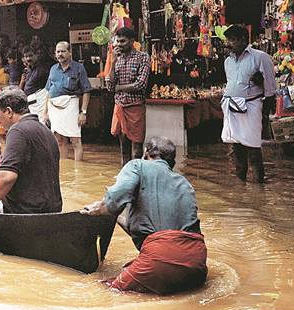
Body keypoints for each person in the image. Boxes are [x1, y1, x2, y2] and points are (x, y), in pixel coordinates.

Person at [80, 137, 207, 295]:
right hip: (197, 262)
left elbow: (113, 201)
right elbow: (151, 230)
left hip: (159, 258)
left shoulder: (137, 165)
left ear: (146, 153)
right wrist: (115, 215)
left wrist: (99, 209)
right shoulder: (185, 184)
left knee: (104, 289)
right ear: (172, 162)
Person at [0, 88, 62, 230]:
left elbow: (7, 177)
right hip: (52, 208)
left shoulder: (17, 131)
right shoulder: (46, 131)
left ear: (9, 111)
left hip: (25, 211)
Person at [221, 24, 276, 183]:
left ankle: (259, 186)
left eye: (232, 40)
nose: (228, 43)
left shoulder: (260, 57)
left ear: (243, 40)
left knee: (253, 148)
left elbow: (270, 87)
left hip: (251, 107)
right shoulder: (228, 61)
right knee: (237, 148)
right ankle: (241, 186)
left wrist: (265, 114)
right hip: (232, 107)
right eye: (227, 40)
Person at [107, 27, 151, 166]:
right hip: (120, 106)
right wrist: (113, 63)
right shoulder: (115, 58)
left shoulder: (143, 57)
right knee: (123, 148)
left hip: (136, 107)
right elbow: (109, 86)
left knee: (137, 149)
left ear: (132, 41)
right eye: (117, 41)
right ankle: (125, 175)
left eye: (123, 41)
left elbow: (140, 84)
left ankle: (137, 174)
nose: (119, 44)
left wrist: (118, 88)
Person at [45, 41, 92, 161]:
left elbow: (86, 90)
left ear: (69, 53)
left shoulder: (79, 68)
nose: (60, 54)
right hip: (54, 108)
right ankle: (65, 168)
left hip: (71, 106)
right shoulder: (53, 69)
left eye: (63, 51)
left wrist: (83, 112)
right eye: (58, 52)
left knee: (75, 140)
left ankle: (79, 169)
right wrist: (46, 112)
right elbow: (48, 91)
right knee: (59, 140)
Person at [20, 47, 50, 123]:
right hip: (31, 102)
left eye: (30, 55)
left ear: (36, 55)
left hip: (40, 101)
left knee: (42, 123)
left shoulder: (43, 68)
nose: (28, 59)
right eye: (26, 56)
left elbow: (48, 86)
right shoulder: (28, 70)